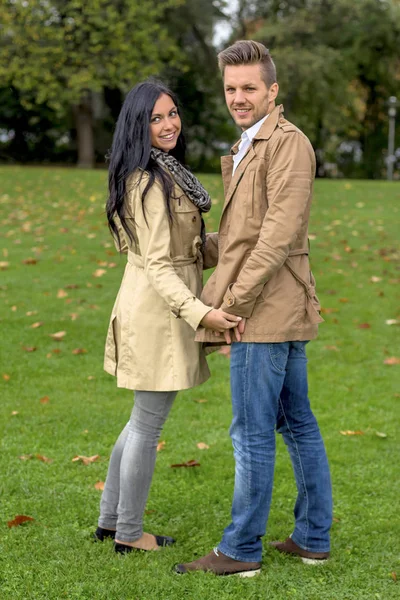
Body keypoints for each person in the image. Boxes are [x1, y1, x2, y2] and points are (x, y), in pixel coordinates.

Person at [176, 40, 333, 577]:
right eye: (231, 88)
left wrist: (232, 306)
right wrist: (195, 247)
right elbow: (245, 234)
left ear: (272, 90)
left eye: (249, 88)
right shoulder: (251, 142)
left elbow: (277, 237)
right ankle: (313, 538)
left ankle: (241, 550)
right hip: (274, 302)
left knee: (252, 432)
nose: (238, 98)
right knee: (297, 423)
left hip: (265, 309)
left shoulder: (287, 144)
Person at [95, 80, 242, 554]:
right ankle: (130, 534)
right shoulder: (149, 183)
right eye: (156, 118)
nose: (169, 123)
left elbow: (187, 252)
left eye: (172, 113)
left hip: (160, 303)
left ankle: (110, 520)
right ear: (138, 125)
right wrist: (203, 314)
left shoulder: (166, 172)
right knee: (148, 424)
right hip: (159, 311)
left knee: (140, 420)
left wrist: (239, 239)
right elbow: (160, 264)